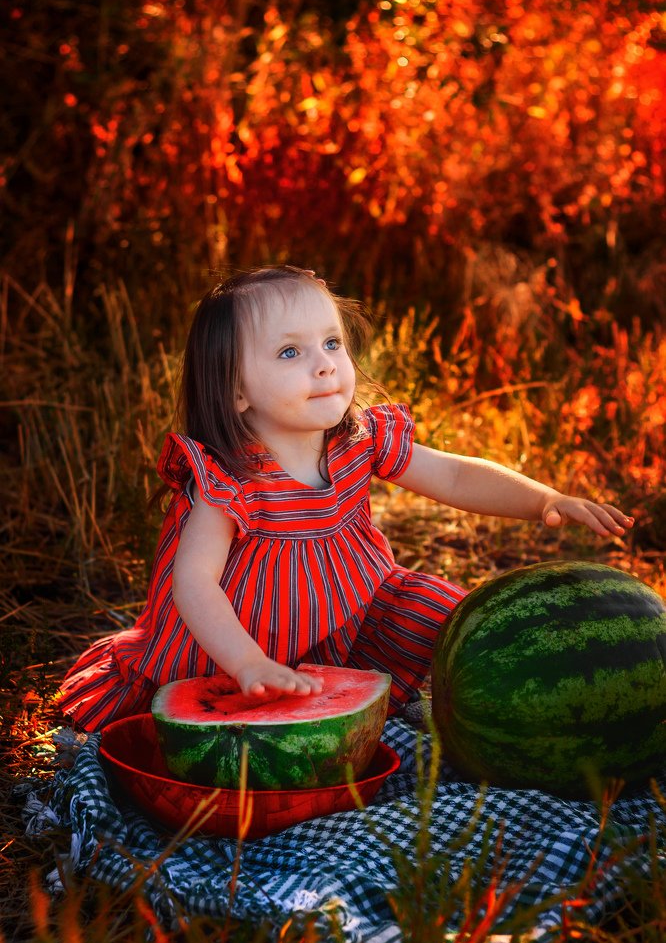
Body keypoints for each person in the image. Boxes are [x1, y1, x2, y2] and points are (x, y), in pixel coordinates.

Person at [58, 265, 634, 731]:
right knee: (218, 716)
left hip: (351, 617)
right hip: (233, 646)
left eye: (331, 341)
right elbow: (193, 583)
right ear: (235, 389)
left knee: (453, 617)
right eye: (290, 353)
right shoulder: (229, 478)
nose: (325, 362)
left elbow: (455, 478)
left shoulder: (359, 443)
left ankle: (529, 717)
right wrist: (247, 663)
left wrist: (544, 500)